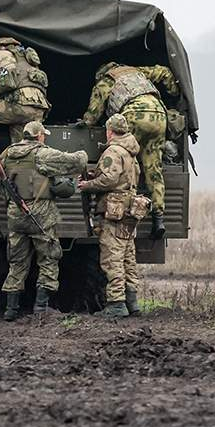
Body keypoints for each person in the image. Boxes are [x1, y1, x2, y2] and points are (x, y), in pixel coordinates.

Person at [81, 62, 180, 239]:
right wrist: (175, 94)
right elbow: (164, 73)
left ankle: (125, 213)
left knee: (125, 161)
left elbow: (94, 111)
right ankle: (158, 219)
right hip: (158, 115)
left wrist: (86, 122)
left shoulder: (107, 80)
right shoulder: (138, 72)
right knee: (154, 169)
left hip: (134, 114)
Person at [0, 121, 87, 321]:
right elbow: (76, 162)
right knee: (49, 258)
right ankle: (41, 307)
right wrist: (82, 152)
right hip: (40, 214)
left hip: (16, 213)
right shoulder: (42, 154)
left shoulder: (8, 153)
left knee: (17, 262)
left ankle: (11, 310)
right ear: (39, 136)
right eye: (43, 135)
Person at [78, 114, 146, 317]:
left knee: (112, 258)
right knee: (128, 257)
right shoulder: (130, 152)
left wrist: (87, 185)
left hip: (114, 211)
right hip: (129, 209)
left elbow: (109, 179)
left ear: (109, 131)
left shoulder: (113, 151)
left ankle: (116, 304)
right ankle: (132, 302)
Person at [0, 37, 51, 165]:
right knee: (20, 147)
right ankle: (20, 167)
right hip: (38, 109)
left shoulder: (2, 54)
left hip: (19, 105)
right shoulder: (29, 59)